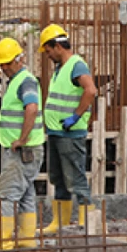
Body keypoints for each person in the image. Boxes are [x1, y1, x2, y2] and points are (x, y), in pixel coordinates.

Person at [39, 24, 98, 233]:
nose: (47, 55)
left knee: (76, 179)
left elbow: (90, 90)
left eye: (48, 50)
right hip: (56, 132)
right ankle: (59, 222)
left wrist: (76, 116)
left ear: (57, 46)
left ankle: (86, 223)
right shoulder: (60, 68)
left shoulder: (76, 65)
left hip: (70, 134)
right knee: (58, 179)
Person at [0, 37, 44, 250]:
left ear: (18, 60)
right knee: (26, 192)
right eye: (1, 64)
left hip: (23, 149)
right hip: (26, 149)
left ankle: (3, 240)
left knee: (7, 193)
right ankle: (26, 237)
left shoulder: (26, 81)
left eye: (6, 63)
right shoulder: (18, 81)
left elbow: (31, 108)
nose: (3, 68)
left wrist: (22, 139)